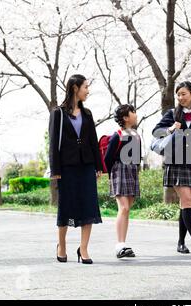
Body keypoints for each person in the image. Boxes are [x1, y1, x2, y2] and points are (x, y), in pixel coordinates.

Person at [49, 74, 102, 264]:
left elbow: (93, 142)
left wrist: (98, 166)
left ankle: (84, 248)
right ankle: (61, 245)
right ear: (75, 88)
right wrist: (55, 170)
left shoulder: (87, 114)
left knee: (89, 205)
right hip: (67, 167)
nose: (88, 91)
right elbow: (54, 143)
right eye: (85, 87)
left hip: (87, 165)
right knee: (66, 207)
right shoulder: (58, 113)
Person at [152, 81, 191, 254]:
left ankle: (180, 243)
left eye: (184, 93)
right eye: (178, 94)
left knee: (185, 204)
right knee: (187, 201)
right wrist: (170, 128)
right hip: (175, 162)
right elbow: (156, 132)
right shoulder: (172, 113)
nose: (180, 97)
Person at [105, 104, 141, 259]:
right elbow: (107, 158)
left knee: (127, 209)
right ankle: (119, 245)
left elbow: (137, 157)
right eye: (132, 112)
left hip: (132, 171)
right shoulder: (117, 135)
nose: (135, 114)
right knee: (124, 208)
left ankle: (123, 244)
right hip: (119, 171)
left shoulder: (136, 135)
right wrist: (112, 174)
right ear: (126, 118)